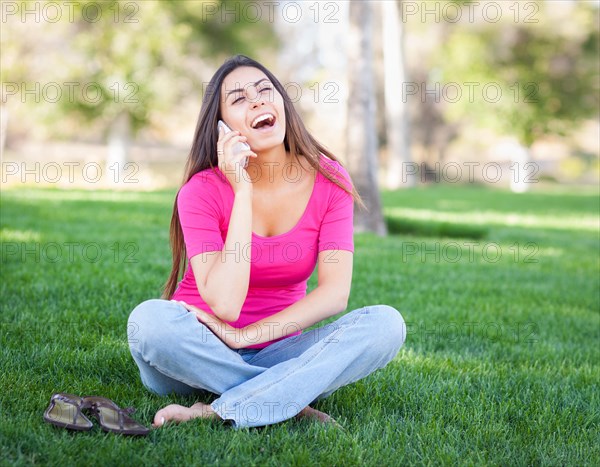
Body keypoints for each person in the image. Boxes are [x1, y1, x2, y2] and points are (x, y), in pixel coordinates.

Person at [127, 54, 406, 429]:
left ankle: (223, 408)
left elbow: (334, 295)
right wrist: (242, 190)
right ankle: (287, 397)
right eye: (239, 98)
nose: (257, 100)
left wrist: (246, 338)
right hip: (195, 351)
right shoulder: (201, 191)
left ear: (282, 105)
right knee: (149, 322)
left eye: (264, 90)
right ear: (222, 127)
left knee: (386, 325)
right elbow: (224, 305)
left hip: (281, 350)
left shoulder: (330, 180)